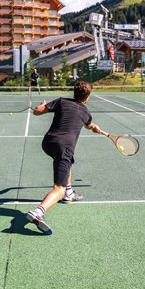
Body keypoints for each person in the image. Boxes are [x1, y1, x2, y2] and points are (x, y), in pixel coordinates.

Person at [25, 81, 104, 235]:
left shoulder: (61, 101)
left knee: (68, 164)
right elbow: (88, 123)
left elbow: (37, 111)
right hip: (64, 147)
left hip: (48, 143)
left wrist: (42, 105)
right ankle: (39, 211)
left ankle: (69, 193)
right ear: (87, 97)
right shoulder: (86, 113)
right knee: (58, 189)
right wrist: (93, 127)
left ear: (74, 93)